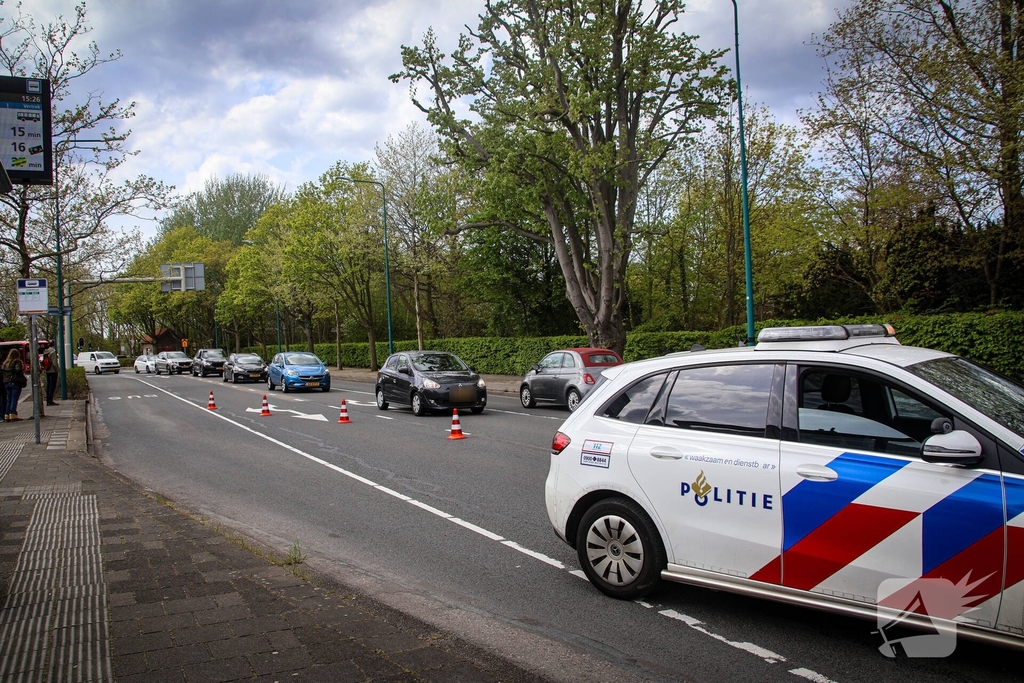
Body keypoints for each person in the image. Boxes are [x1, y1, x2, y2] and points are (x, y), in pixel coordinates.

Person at [3, 348, 25, 421]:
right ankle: (13, 414)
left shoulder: (6, 363)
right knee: (14, 399)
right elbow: (18, 370)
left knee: (9, 399)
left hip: (6, 382)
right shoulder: (16, 361)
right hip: (14, 382)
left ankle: (7, 414)